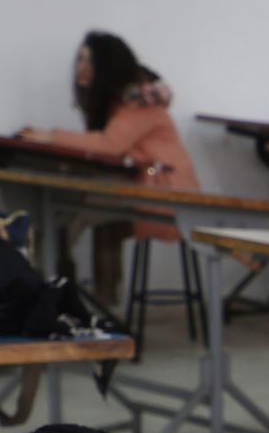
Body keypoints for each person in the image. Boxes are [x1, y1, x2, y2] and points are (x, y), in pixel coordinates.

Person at [20, 30, 202, 303]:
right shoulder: (115, 101)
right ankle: (72, 293)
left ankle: (51, 289)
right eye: (79, 59)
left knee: (71, 207)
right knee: (73, 204)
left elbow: (109, 145)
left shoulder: (140, 100)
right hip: (146, 182)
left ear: (107, 66)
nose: (80, 68)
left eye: (89, 61)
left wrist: (51, 136)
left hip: (164, 190)